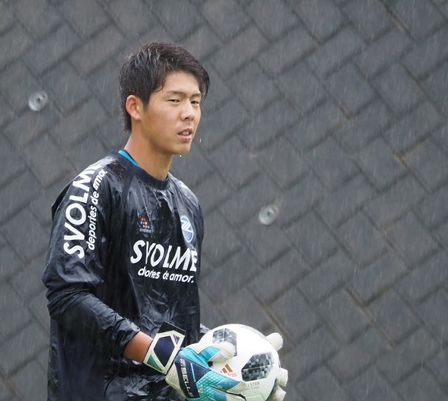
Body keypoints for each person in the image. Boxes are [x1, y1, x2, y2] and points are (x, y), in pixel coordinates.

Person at [42, 42, 286, 400]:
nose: (189, 114)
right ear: (135, 107)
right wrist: (161, 356)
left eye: (195, 102)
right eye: (174, 100)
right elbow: (68, 296)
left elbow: (172, 324)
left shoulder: (188, 203)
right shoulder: (96, 187)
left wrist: (244, 360)